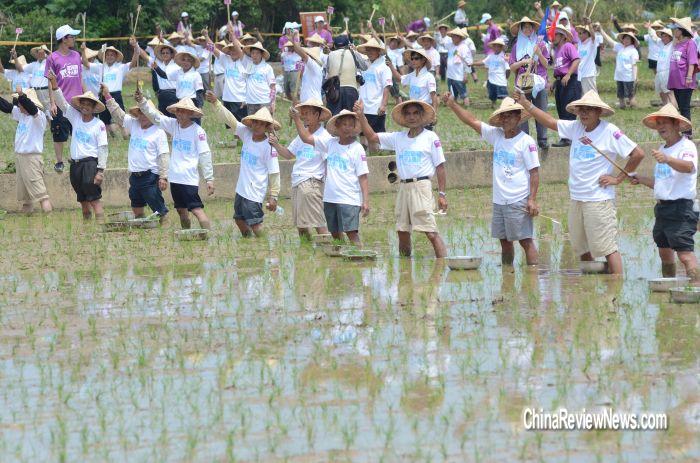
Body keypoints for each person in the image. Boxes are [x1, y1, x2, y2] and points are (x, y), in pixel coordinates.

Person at [513, 90, 645, 274]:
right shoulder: (576, 128)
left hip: (598, 200)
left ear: (598, 112)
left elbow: (638, 153)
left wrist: (618, 179)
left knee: (607, 248)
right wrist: (527, 105)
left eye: (589, 109)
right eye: (581, 109)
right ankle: (590, 287)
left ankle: (615, 289)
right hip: (577, 199)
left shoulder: (610, 131)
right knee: (582, 248)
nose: (584, 113)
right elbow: (550, 122)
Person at [445, 95, 540, 265]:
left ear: (518, 117)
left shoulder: (526, 142)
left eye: (510, 115)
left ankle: (532, 276)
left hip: (518, 199)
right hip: (499, 200)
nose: (506, 119)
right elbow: (472, 121)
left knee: (525, 240)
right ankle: (507, 273)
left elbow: (534, 172)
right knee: (504, 241)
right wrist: (452, 105)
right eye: (503, 115)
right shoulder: (496, 135)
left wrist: (532, 199)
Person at [356, 99, 448, 258]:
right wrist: (361, 116)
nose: (412, 117)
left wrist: (442, 194)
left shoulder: (431, 137)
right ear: (404, 118)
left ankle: (443, 265)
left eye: (415, 113)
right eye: (408, 114)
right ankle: (405, 273)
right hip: (404, 187)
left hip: (422, 186)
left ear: (421, 116)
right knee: (402, 231)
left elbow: (440, 167)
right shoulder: (398, 137)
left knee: (430, 232)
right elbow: (371, 136)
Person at [631, 104, 699, 282]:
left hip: (681, 208)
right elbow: (661, 183)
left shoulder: (687, 146)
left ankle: (697, 287)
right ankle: (668, 284)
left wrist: (668, 159)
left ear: (676, 124)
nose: (661, 126)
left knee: (684, 254)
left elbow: (688, 167)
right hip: (662, 209)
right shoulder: (662, 149)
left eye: (665, 123)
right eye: (658, 123)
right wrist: (640, 179)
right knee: (664, 252)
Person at [206, 91, 281, 237]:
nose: (258, 126)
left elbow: (274, 173)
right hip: (241, 190)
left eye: (262, 124)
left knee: (255, 224)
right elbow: (230, 119)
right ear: (251, 123)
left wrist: (274, 196)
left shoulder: (269, 147)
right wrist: (216, 103)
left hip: (254, 193)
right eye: (256, 122)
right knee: (239, 220)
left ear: (266, 127)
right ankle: (249, 244)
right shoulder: (246, 134)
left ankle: (265, 245)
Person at [136, 91, 214, 230]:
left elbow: (205, 154)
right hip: (175, 178)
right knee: (181, 211)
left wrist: (209, 179)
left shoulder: (198, 132)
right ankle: (187, 233)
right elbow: (154, 116)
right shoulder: (173, 125)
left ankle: (206, 234)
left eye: (184, 111)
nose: (180, 114)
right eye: (178, 111)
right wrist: (142, 101)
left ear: (190, 113)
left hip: (188, 178)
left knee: (196, 210)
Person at [291, 108, 369, 245]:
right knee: (334, 233)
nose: (347, 128)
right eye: (344, 124)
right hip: (330, 198)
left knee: (351, 233)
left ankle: (360, 260)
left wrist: (366, 201)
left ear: (355, 127)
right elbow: (306, 138)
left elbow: (363, 176)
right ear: (337, 126)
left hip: (349, 198)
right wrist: (297, 119)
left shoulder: (358, 148)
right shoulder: (329, 144)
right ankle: (341, 259)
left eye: (351, 124)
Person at [101, 84, 169, 221]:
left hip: (150, 175)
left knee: (157, 205)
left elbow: (164, 156)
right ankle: (142, 226)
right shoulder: (134, 124)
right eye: (140, 114)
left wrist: (163, 176)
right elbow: (118, 114)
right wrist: (108, 96)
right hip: (134, 175)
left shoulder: (158, 132)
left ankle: (164, 225)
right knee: (136, 204)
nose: (143, 117)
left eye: (146, 114)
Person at [48, 71, 109, 221]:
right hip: (75, 165)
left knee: (94, 199)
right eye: (83, 104)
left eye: (89, 104)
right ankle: (87, 228)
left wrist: (100, 170)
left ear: (94, 108)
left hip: (90, 164)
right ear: (80, 105)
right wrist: (55, 85)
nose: (85, 107)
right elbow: (62, 103)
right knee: (82, 200)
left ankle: (101, 226)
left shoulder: (98, 125)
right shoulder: (75, 118)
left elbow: (103, 148)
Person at [269, 99, 331, 239]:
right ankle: (306, 253)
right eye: (303, 114)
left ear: (317, 115)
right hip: (298, 183)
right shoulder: (302, 134)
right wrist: (276, 144)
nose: (304, 117)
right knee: (301, 226)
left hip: (311, 183)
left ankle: (329, 250)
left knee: (318, 223)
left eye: (307, 113)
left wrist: (326, 186)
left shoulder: (324, 137)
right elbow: (288, 154)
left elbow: (328, 163)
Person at [0, 88, 52, 213]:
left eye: (21, 103)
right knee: (26, 198)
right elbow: (6, 107)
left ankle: (49, 219)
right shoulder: (22, 114)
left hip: (31, 158)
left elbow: (31, 108)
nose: (18, 106)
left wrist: (22, 95)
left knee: (41, 195)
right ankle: (26, 215)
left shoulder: (38, 117)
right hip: (20, 158)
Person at [44, 24, 83, 174]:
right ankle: (59, 161)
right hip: (61, 101)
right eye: (72, 36)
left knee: (77, 130)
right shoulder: (52, 58)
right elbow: (50, 81)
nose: (74, 39)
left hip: (77, 101)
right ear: (64, 39)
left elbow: (80, 77)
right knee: (59, 131)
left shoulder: (76, 55)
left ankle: (75, 157)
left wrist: (87, 96)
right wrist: (52, 103)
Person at [509, 16, 550, 149]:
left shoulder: (540, 44)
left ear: (533, 29)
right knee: (522, 112)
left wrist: (539, 53)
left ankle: (543, 139)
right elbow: (511, 67)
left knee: (540, 110)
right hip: (522, 84)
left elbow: (547, 64)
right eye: (524, 27)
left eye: (529, 27)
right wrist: (521, 62)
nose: (527, 29)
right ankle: (525, 140)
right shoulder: (516, 46)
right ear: (521, 29)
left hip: (538, 83)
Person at [85, 40, 140, 137]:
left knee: (121, 117)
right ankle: (107, 136)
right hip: (103, 95)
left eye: (112, 55)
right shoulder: (100, 66)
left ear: (115, 57)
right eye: (108, 55)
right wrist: (83, 50)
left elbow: (133, 61)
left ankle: (126, 135)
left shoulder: (120, 67)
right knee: (104, 118)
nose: (110, 57)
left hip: (115, 95)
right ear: (105, 56)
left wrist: (135, 48)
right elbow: (86, 64)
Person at [152, 50, 205, 125]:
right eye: (184, 60)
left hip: (192, 102)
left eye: (188, 60)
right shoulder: (178, 72)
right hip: (180, 101)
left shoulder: (196, 74)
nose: (185, 62)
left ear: (192, 62)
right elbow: (165, 76)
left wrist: (199, 106)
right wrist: (156, 68)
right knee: (181, 123)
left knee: (194, 123)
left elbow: (199, 91)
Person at [210, 27, 251, 123]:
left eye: (235, 49)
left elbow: (250, 82)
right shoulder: (226, 59)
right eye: (231, 50)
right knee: (231, 124)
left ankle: (239, 138)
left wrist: (246, 99)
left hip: (240, 99)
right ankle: (235, 138)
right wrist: (206, 36)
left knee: (241, 124)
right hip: (227, 98)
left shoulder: (246, 62)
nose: (233, 52)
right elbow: (212, 49)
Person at [356, 38, 392, 145]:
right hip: (363, 106)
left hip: (376, 107)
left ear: (378, 51)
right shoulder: (365, 66)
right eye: (368, 50)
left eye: (373, 49)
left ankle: (377, 156)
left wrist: (383, 105)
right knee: (362, 133)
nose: (370, 52)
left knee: (377, 136)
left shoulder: (384, 67)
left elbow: (387, 87)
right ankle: (366, 156)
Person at [388, 49, 438, 125]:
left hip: (424, 111)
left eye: (416, 58)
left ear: (423, 60)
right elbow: (399, 78)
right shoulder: (412, 75)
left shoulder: (429, 77)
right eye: (412, 58)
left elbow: (434, 96)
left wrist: (434, 114)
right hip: (413, 111)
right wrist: (391, 66)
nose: (413, 60)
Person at [551, 25, 581, 147]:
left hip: (570, 81)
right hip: (560, 82)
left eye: (556, 35)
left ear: (563, 36)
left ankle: (568, 139)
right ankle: (565, 138)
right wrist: (555, 81)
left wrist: (568, 74)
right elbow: (559, 69)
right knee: (561, 109)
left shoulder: (568, 46)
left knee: (568, 110)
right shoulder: (558, 51)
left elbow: (577, 60)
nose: (553, 37)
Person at [667, 17, 698, 138]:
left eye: (676, 29)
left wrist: (689, 77)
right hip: (675, 81)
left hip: (685, 81)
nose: (674, 31)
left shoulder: (690, 43)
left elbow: (692, 62)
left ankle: (687, 133)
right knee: (680, 107)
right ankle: (683, 130)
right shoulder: (678, 43)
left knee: (684, 108)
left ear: (682, 30)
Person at [599, 28, 639, 109]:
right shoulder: (620, 47)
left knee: (630, 96)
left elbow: (634, 65)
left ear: (632, 41)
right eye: (625, 38)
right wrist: (601, 30)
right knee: (620, 95)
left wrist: (635, 77)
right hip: (619, 76)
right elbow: (610, 40)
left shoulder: (633, 51)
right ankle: (622, 106)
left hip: (629, 77)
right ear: (622, 39)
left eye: (628, 39)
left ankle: (633, 107)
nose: (626, 40)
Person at [325, 34, 365, 115]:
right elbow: (364, 67)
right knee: (351, 118)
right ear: (347, 45)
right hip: (351, 89)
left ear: (335, 46)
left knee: (335, 118)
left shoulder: (331, 55)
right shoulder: (353, 53)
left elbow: (328, 70)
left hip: (334, 90)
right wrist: (355, 51)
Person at [287, 32, 324, 104]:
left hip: (313, 101)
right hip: (306, 100)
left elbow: (303, 55)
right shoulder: (308, 66)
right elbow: (303, 79)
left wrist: (293, 42)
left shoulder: (314, 65)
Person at [472, 38, 508, 108]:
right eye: (495, 46)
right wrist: (473, 63)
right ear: (493, 47)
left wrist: (506, 78)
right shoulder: (491, 56)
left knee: (503, 95)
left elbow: (508, 69)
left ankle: (505, 107)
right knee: (492, 94)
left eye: (498, 46)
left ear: (501, 47)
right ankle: (493, 105)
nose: (496, 48)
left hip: (500, 80)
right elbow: (483, 62)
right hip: (491, 79)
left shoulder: (504, 57)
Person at [242, 41, 276, 114]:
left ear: (261, 54)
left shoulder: (267, 68)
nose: (255, 55)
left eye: (257, 53)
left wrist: (273, 103)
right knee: (252, 124)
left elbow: (272, 87)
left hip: (264, 102)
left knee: (265, 125)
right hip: (251, 102)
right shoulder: (248, 66)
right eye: (253, 53)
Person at [445, 28, 473, 106]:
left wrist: (466, 75)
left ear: (460, 37)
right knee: (452, 93)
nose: (453, 38)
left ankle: (467, 105)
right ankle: (454, 105)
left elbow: (468, 62)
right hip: (450, 75)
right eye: (452, 36)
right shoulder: (451, 46)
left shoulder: (464, 47)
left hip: (459, 75)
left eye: (455, 36)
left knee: (463, 93)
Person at [19, 45, 51, 111]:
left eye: (42, 52)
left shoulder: (49, 63)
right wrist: (15, 58)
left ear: (46, 54)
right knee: (36, 112)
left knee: (48, 112)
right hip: (33, 91)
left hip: (45, 91)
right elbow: (21, 69)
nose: (40, 54)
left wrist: (50, 56)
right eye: (38, 52)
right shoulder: (33, 65)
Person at [650, 27, 676, 107]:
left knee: (669, 93)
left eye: (665, 36)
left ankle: (674, 111)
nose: (663, 38)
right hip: (659, 72)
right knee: (661, 92)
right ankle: (666, 109)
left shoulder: (672, 45)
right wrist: (649, 28)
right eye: (662, 36)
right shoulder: (662, 44)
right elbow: (654, 37)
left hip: (667, 71)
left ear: (670, 37)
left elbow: (676, 38)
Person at [575, 22, 603, 94]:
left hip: (589, 74)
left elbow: (593, 36)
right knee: (583, 96)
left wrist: (589, 23)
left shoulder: (591, 42)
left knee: (592, 95)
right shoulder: (580, 43)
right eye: (579, 33)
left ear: (587, 34)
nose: (579, 35)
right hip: (581, 74)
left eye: (581, 33)